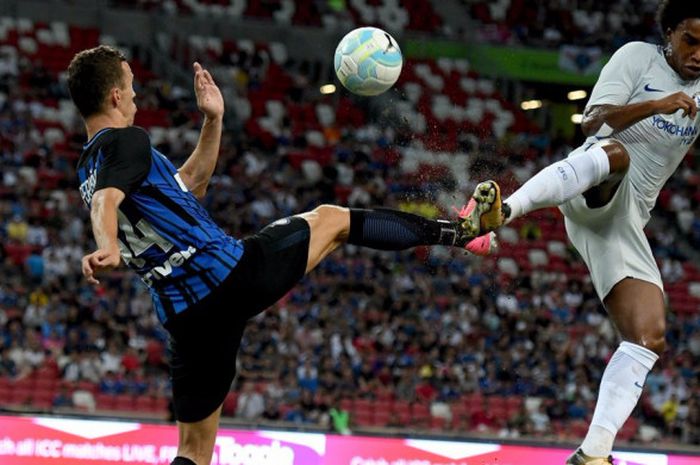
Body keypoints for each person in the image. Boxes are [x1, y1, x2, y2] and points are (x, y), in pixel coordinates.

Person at [66, 45, 496, 465]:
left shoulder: (88, 166)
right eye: (132, 85)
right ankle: (462, 231)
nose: (137, 95)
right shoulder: (126, 142)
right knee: (332, 220)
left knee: (193, 452)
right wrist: (106, 246)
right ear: (115, 96)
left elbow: (189, 188)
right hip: (229, 277)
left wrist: (212, 121)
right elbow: (107, 201)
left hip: (186, 316)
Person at [468, 1, 700, 463]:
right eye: (691, 40)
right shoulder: (636, 57)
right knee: (616, 153)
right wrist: (658, 103)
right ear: (670, 33)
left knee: (649, 335)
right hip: (593, 176)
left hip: (626, 220)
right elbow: (590, 122)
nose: (699, 53)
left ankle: (593, 453)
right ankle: (503, 211)